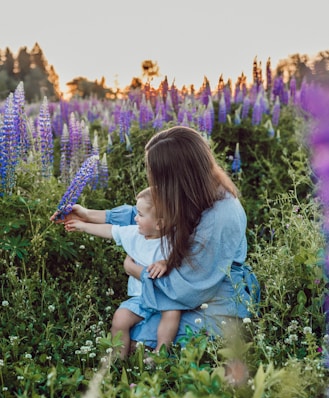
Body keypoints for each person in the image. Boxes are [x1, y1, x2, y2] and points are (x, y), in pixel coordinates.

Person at [51, 126, 260, 353]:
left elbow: (189, 289)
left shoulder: (221, 215)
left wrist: (135, 270)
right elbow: (151, 215)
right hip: (185, 288)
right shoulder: (196, 192)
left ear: (178, 177)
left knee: (137, 342)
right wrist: (88, 214)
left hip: (215, 298)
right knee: (129, 331)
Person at [63, 187, 181, 359]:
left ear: (159, 224)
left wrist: (166, 262)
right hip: (140, 298)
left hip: (164, 296)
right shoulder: (134, 234)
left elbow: (184, 257)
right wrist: (82, 226)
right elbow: (110, 230)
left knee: (172, 313)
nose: (135, 218)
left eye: (140, 214)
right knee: (120, 318)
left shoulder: (173, 240)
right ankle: (117, 360)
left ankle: (160, 354)